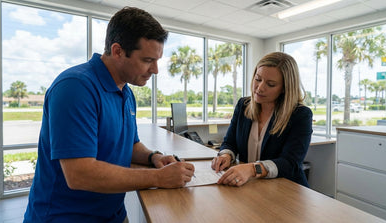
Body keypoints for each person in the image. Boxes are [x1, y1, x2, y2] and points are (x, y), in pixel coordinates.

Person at [23, 7, 195, 223]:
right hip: (65, 217)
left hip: (112, 214)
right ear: (117, 51)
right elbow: (79, 174)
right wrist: (158, 177)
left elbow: (130, 145)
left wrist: (154, 157)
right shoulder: (75, 87)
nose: (156, 70)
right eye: (147, 60)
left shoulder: (126, 92)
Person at [211, 52, 313, 187]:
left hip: (286, 190)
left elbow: (290, 163)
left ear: (285, 88)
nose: (260, 88)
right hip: (251, 187)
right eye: (258, 79)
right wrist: (226, 155)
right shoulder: (243, 105)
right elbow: (230, 142)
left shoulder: (300, 115)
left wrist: (253, 169)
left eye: (270, 84)